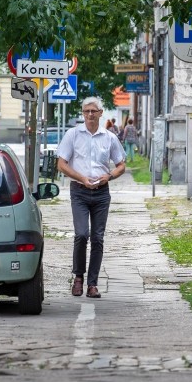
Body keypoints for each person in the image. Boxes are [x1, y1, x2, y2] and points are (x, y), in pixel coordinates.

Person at [56, 97, 126, 299]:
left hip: (102, 193)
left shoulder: (109, 137)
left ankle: (92, 284)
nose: (90, 114)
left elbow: (121, 165)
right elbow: (62, 164)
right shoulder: (73, 134)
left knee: (97, 238)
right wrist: (81, 178)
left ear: (101, 113)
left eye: (93, 111)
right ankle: (78, 277)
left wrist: (109, 176)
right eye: (86, 111)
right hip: (79, 191)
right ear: (82, 113)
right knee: (81, 234)